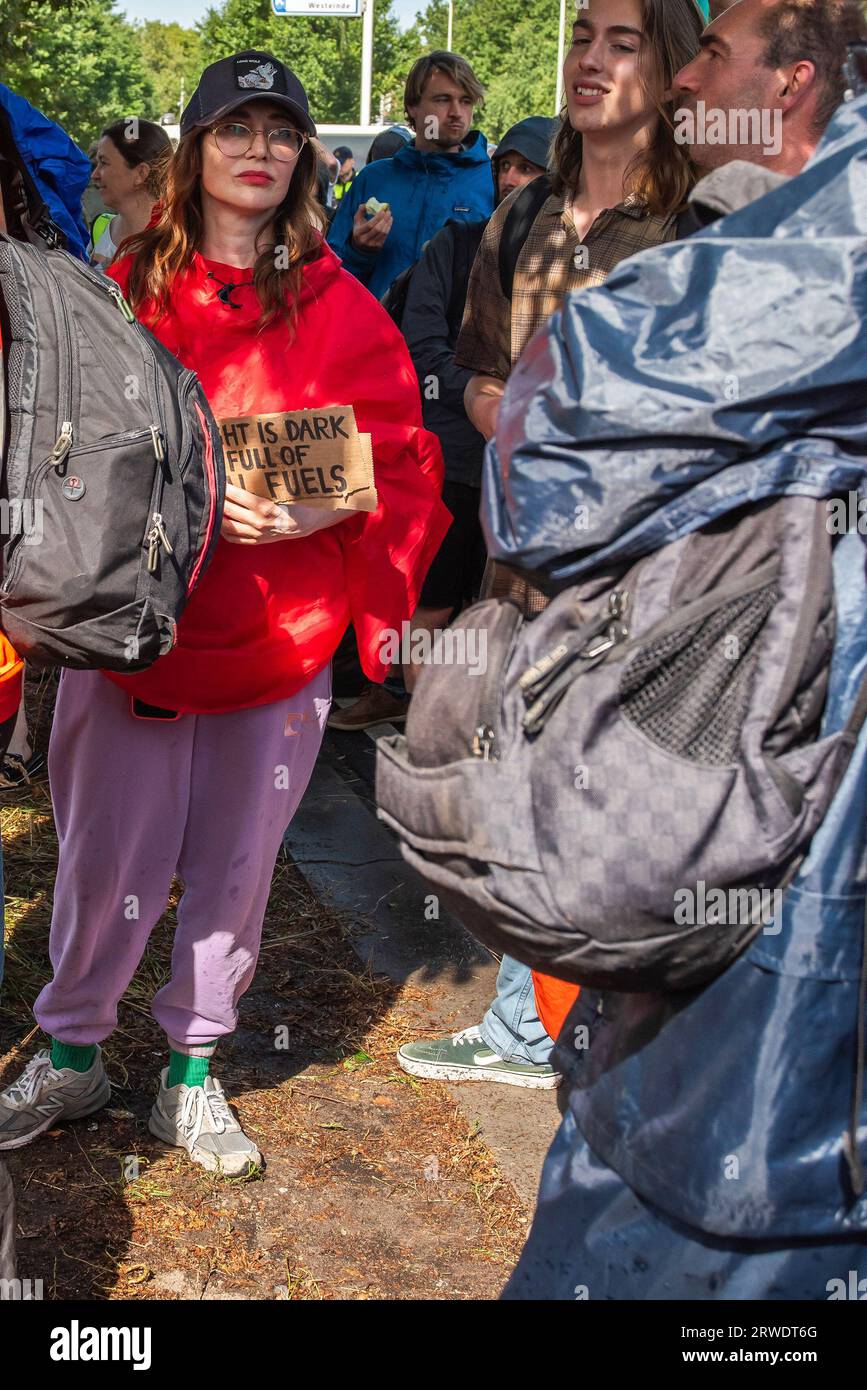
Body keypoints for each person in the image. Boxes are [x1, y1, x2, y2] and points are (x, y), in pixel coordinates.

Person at [0, 49, 449, 1176]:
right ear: (195, 148)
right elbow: (66, 437)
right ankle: (71, 1049)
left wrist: (315, 508)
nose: (259, 148)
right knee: (105, 860)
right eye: (235, 127)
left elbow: (402, 459)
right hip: (134, 637)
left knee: (237, 870)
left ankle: (193, 1073)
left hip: (275, 643)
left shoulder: (343, 303)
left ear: (302, 160)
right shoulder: (118, 287)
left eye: (281, 131)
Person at [486, 0, 867, 1300]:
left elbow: (551, 446)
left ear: (795, 83)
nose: (612, 62)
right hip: (586, 693)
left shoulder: (743, 246)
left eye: (693, 49)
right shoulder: (525, 216)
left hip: (752, 937)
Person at [397, 0, 704, 1090]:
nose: (593, 60)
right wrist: (499, 413)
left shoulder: (700, 224)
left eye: (625, 44)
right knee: (513, 793)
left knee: (624, 812)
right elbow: (475, 364)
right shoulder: (520, 220)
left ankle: (618, 1043)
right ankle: (528, 1029)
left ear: (673, 74)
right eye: (584, 38)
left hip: (648, 577)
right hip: (520, 568)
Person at [331, 116, 558, 732]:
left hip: (534, 473)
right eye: (504, 164)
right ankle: (416, 718)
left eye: (529, 168)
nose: (512, 177)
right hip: (457, 454)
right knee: (432, 600)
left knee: (501, 608)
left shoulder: (574, 255)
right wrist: (493, 401)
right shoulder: (457, 244)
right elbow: (425, 347)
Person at [327, 51, 493, 300]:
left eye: (466, 101)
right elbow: (329, 278)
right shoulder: (373, 179)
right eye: (443, 100)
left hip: (453, 338)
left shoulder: (492, 182)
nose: (457, 112)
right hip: (375, 334)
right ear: (412, 107)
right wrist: (358, 251)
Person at [88, 118, 172, 269]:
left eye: (104, 162)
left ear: (141, 173)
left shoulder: (176, 243)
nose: (94, 175)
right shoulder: (99, 228)